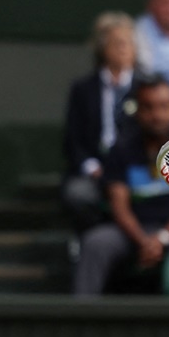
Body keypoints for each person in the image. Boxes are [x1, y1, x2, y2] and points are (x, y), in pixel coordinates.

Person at [72, 76, 169, 295]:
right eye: (149, 107)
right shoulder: (122, 149)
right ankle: (80, 319)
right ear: (138, 111)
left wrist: (163, 238)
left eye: (164, 107)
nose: (157, 115)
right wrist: (144, 241)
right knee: (95, 243)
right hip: (132, 230)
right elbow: (119, 206)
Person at [62, 12, 142, 232]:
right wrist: (92, 167)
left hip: (135, 169)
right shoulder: (83, 88)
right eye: (117, 43)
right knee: (77, 194)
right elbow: (73, 139)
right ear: (102, 48)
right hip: (95, 169)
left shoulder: (145, 88)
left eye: (128, 43)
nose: (124, 48)